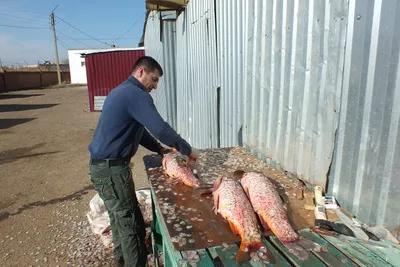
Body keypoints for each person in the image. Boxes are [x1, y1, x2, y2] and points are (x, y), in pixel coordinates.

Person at [88, 56, 199, 267]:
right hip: (111, 171)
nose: (155, 86)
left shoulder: (122, 91)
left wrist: (159, 148)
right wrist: (189, 150)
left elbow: (137, 131)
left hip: (103, 168)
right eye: (154, 79)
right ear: (141, 72)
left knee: (119, 220)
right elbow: (161, 129)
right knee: (132, 226)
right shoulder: (136, 94)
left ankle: (122, 261)